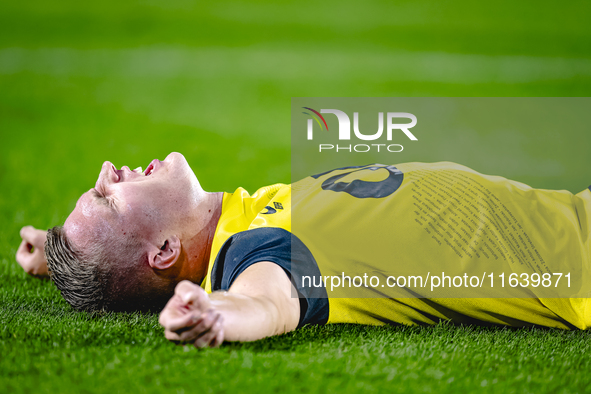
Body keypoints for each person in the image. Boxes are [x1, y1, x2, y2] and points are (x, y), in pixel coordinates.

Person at [16, 152, 591, 349]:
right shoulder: (254, 253)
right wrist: (222, 314)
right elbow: (269, 301)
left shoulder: (241, 216)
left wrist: (59, 252)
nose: (107, 171)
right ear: (166, 252)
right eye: (107, 196)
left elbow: (113, 259)